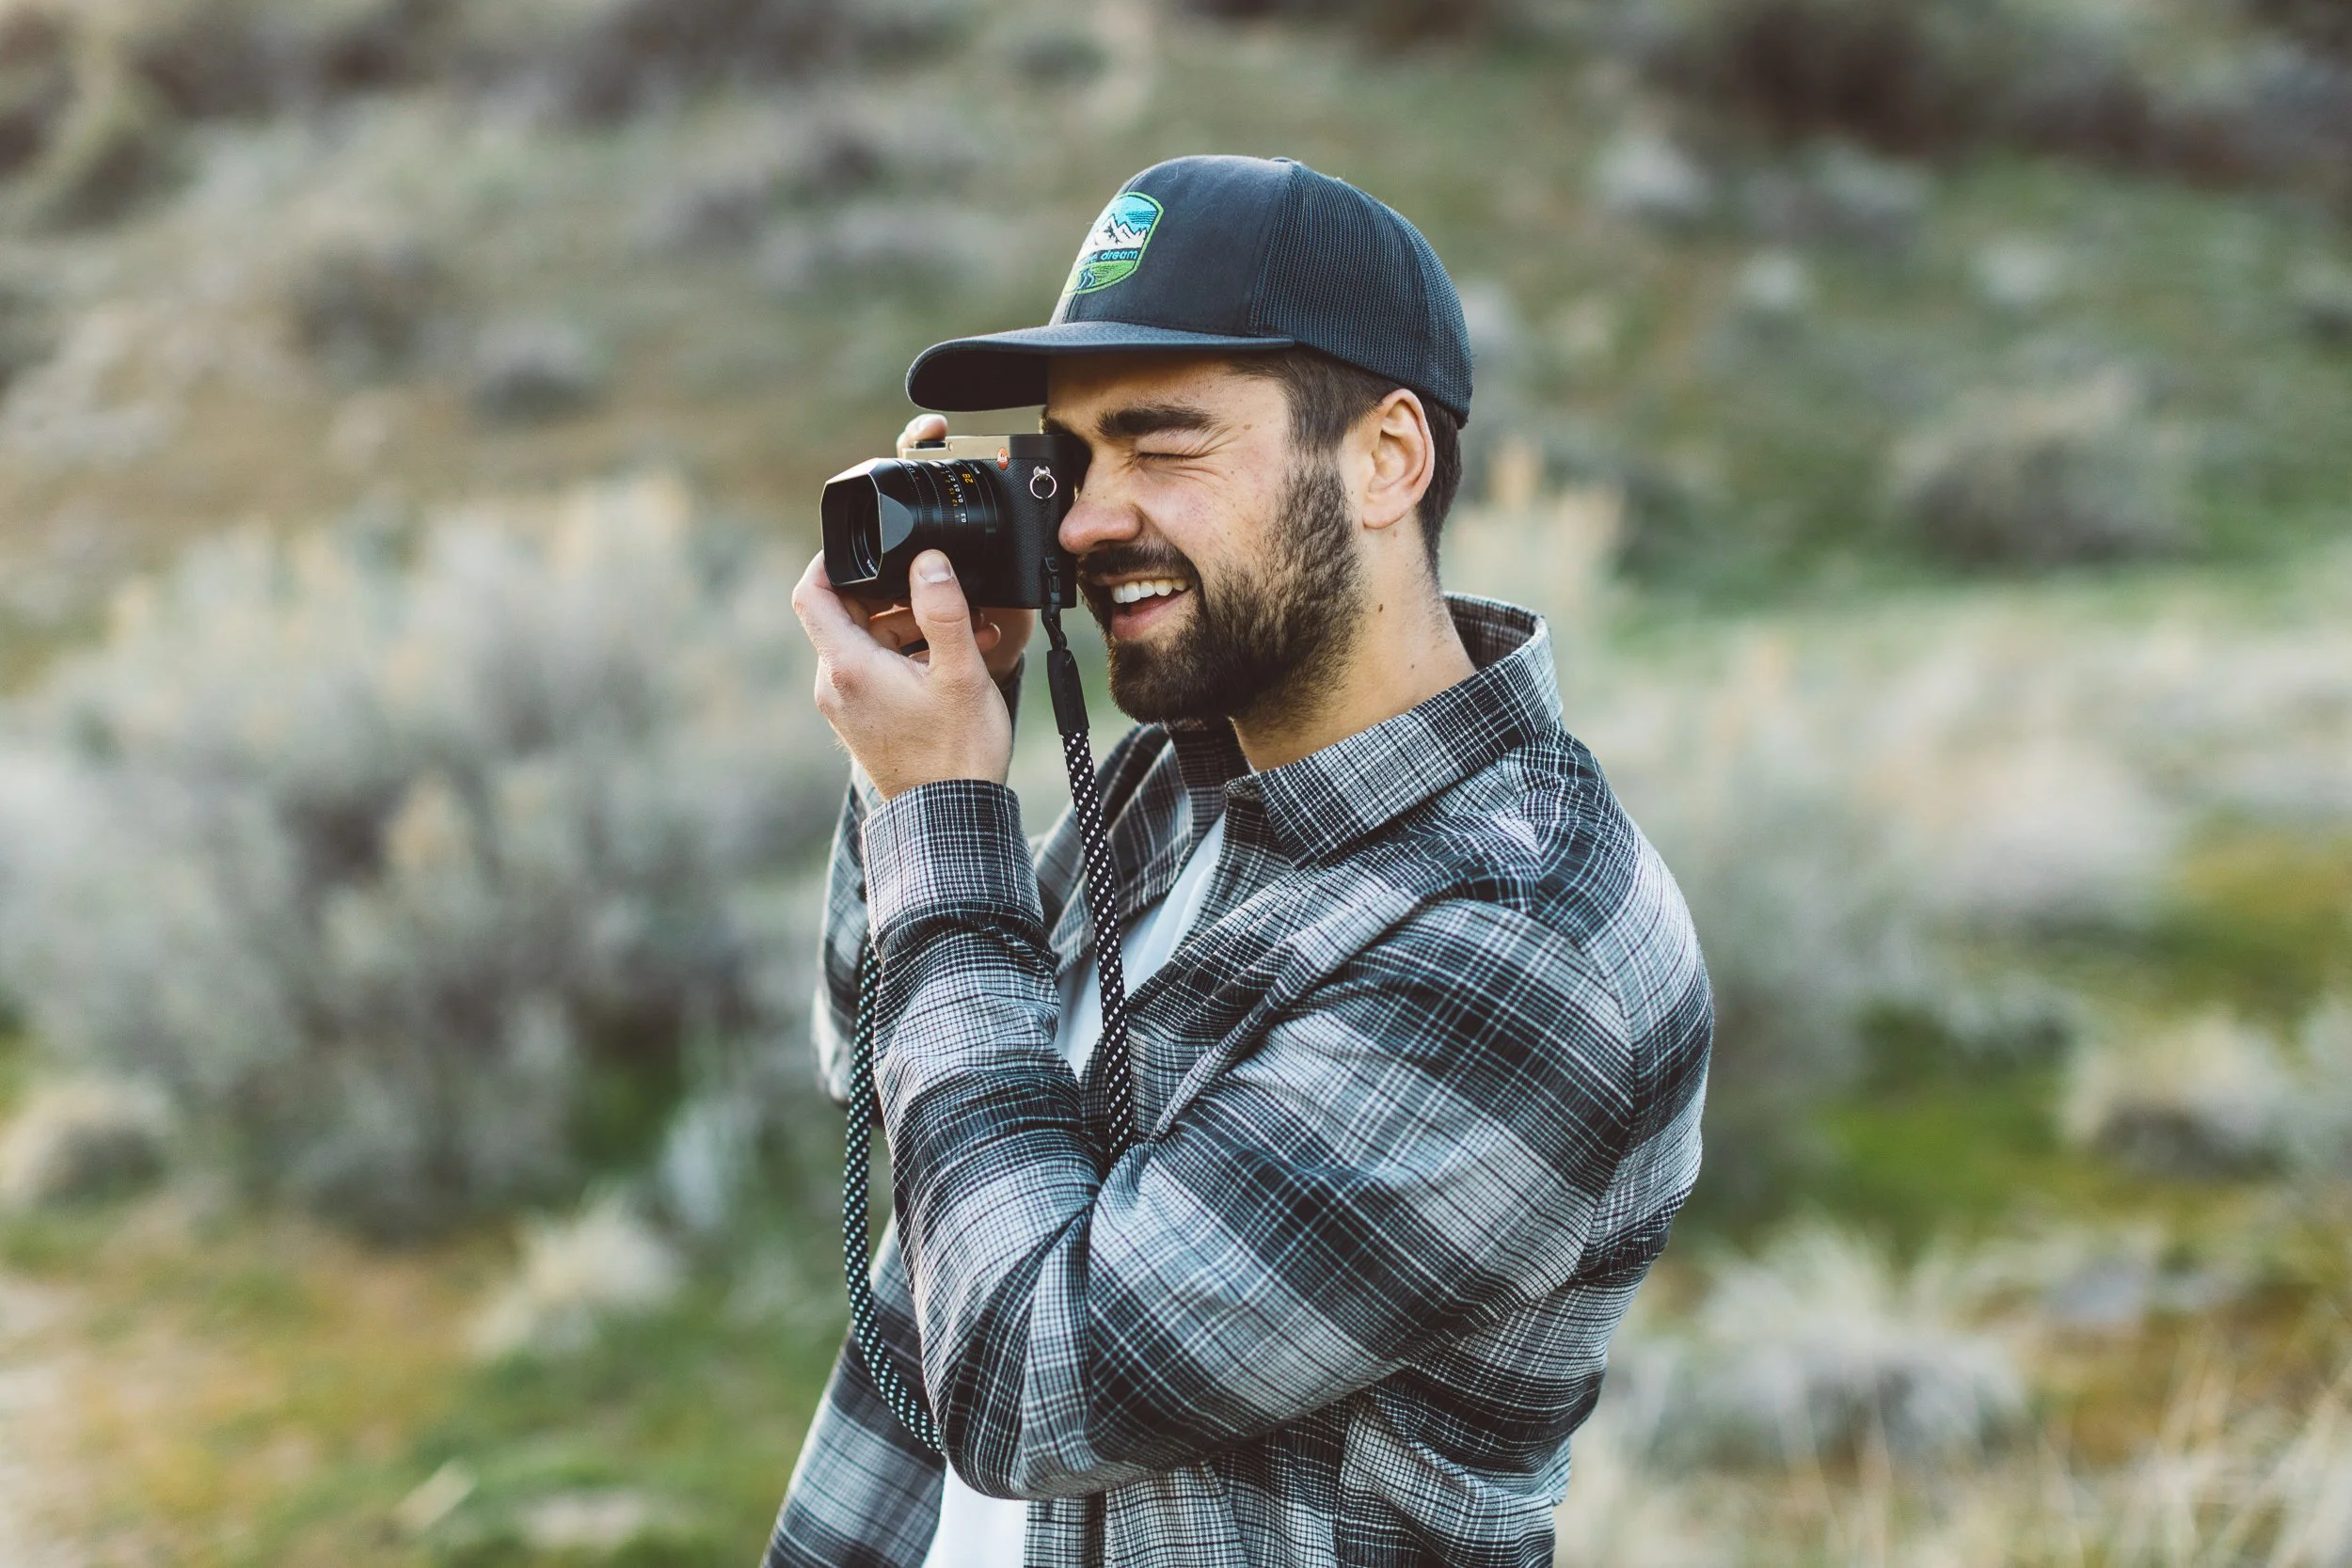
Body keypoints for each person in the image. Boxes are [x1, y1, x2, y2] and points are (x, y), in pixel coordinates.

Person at [767, 154, 1711, 1568]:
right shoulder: (1178, 778)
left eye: (1164, 444)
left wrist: (943, 812)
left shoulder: (1522, 942)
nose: (1085, 520)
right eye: (1069, 461)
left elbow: (1035, 1379)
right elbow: (880, 1059)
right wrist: (901, 758)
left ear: (1388, 458)